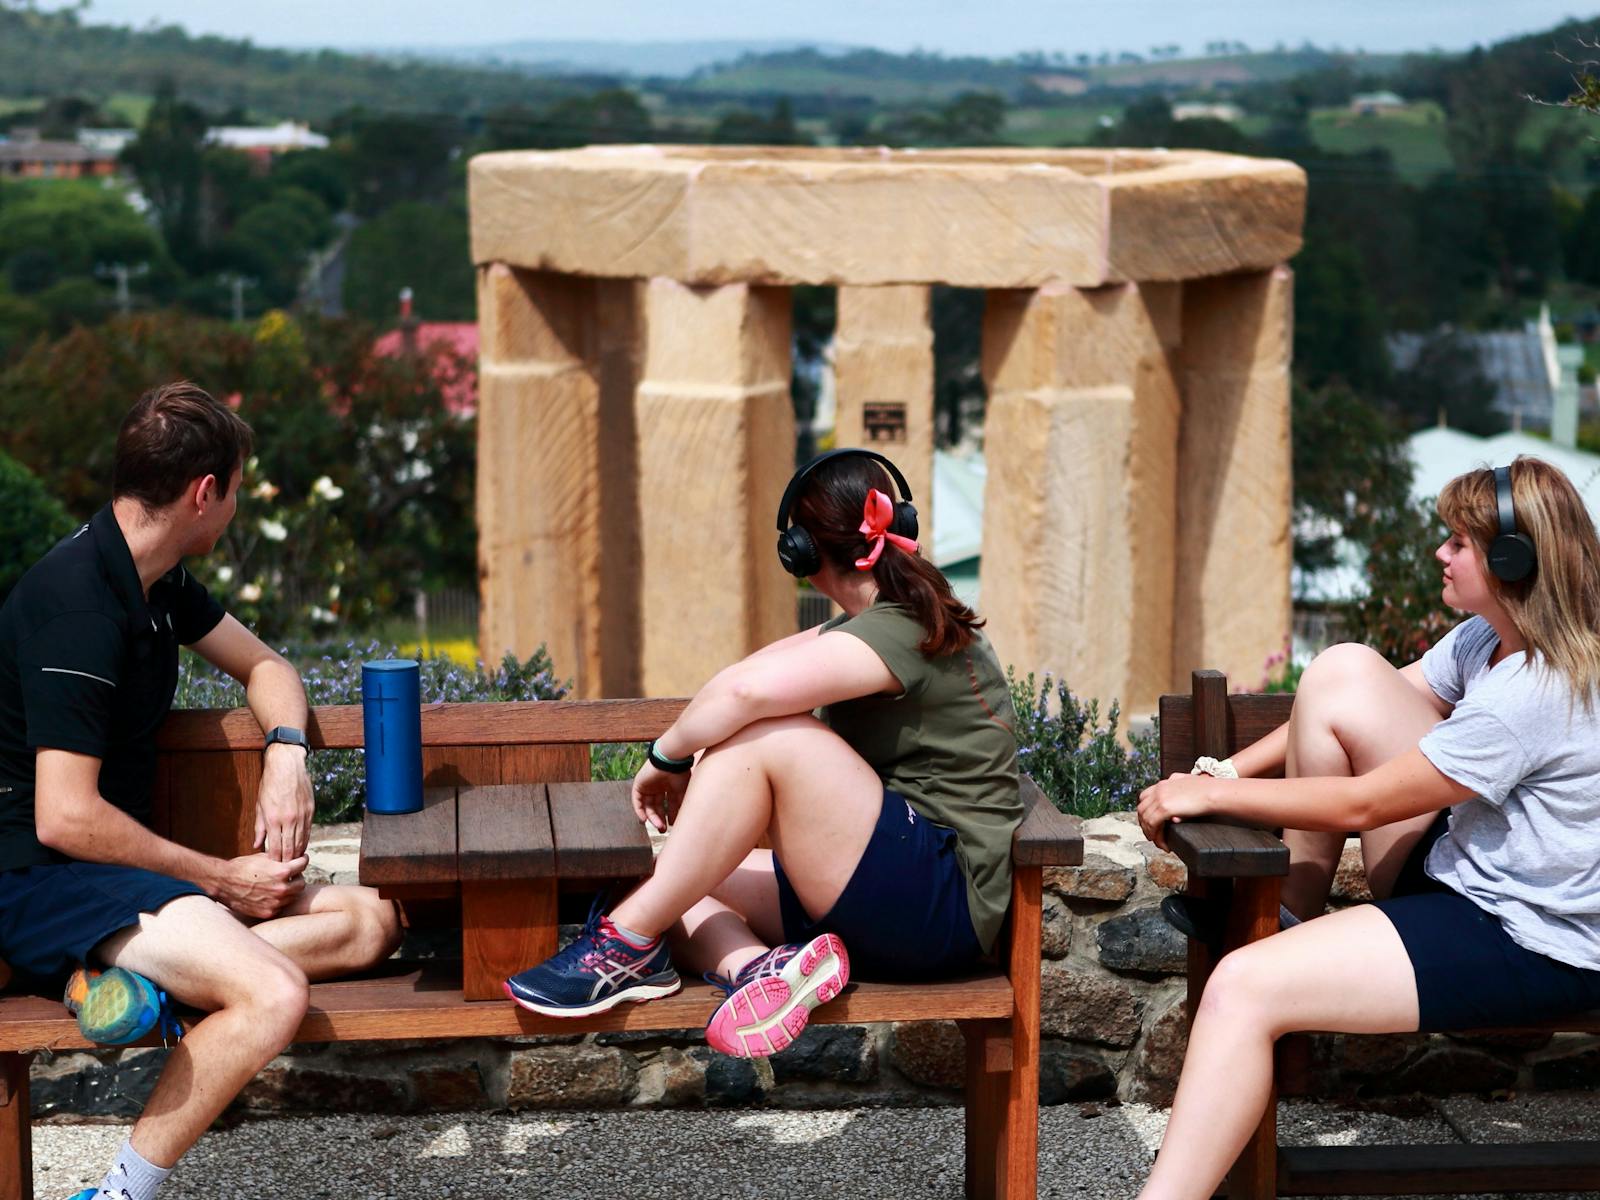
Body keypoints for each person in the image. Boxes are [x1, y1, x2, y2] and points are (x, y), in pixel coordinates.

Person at [1133, 456, 1600, 1200]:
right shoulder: (1489, 638)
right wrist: (1222, 775)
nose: (1440, 555)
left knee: (1240, 988)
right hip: (1464, 870)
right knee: (1342, 665)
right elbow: (1351, 701)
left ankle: (1270, 953)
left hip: (1531, 938)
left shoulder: (1536, 692)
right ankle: (1286, 920)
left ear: (1512, 560)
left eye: (1458, 543)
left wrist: (1208, 802)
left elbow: (1361, 806)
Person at [0, 382, 402, 1200]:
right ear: (203, 492)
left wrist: (286, 754)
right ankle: (119, 1191)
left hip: (119, 880)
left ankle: (141, 988)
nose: (234, 510)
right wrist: (216, 877)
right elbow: (65, 816)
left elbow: (268, 668)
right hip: (36, 883)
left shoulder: (159, 580)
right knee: (272, 990)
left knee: (372, 923)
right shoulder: (73, 602)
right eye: (236, 491)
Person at [505, 448, 1022, 1057]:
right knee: (669, 884)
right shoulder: (887, 622)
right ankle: (762, 973)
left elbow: (746, 693)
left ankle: (621, 944)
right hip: (898, 893)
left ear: (800, 555)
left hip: (937, 905)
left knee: (766, 737)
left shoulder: (903, 627)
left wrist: (666, 758)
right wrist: (700, 750)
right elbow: (750, 673)